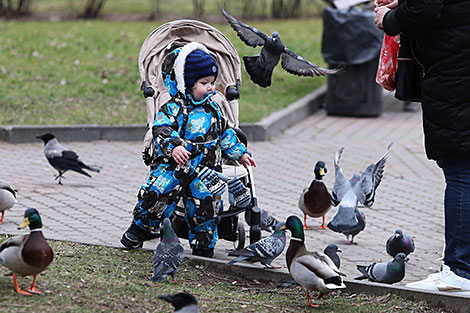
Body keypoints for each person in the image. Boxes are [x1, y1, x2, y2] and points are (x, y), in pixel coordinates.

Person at [121, 42, 256, 258]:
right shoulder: (174, 108)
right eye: (204, 83)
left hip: (205, 170)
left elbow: (225, 134)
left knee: (206, 206)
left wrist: (240, 153)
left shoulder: (215, 110)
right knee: (157, 194)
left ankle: (203, 244)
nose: (210, 87)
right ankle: (140, 228)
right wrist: (174, 147)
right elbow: (162, 129)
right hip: (174, 166)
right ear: (186, 83)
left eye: (212, 82)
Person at [374, 0, 470, 292]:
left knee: (460, 171)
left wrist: (390, 18)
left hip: (455, 73)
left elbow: (426, 8)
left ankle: (460, 272)